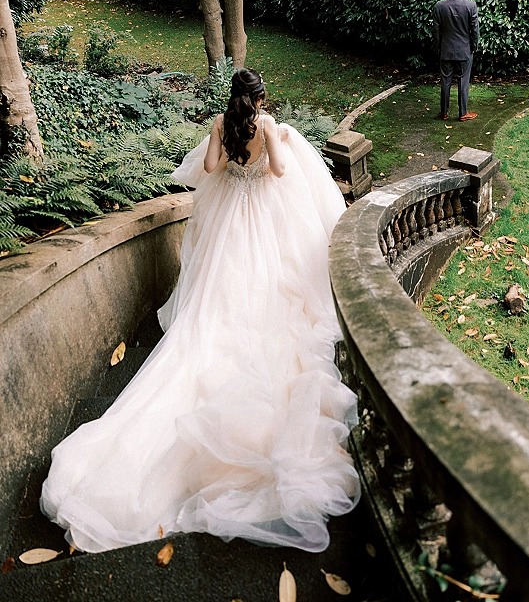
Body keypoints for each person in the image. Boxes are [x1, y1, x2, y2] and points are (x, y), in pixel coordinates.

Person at [40, 68, 360, 554]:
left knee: (216, 294)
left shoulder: (220, 123)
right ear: (260, 97)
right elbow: (278, 172)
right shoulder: (268, 125)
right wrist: (278, 138)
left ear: (233, 97)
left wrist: (227, 147)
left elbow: (209, 169)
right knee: (267, 288)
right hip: (265, 223)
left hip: (231, 221)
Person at [432, 0, 480, 122]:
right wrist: (473, 47)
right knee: (463, 82)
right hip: (465, 51)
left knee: (445, 81)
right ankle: (463, 113)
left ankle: (444, 113)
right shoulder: (470, 6)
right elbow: (475, 30)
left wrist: (438, 47)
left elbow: (436, 30)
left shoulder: (439, 6)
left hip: (446, 50)